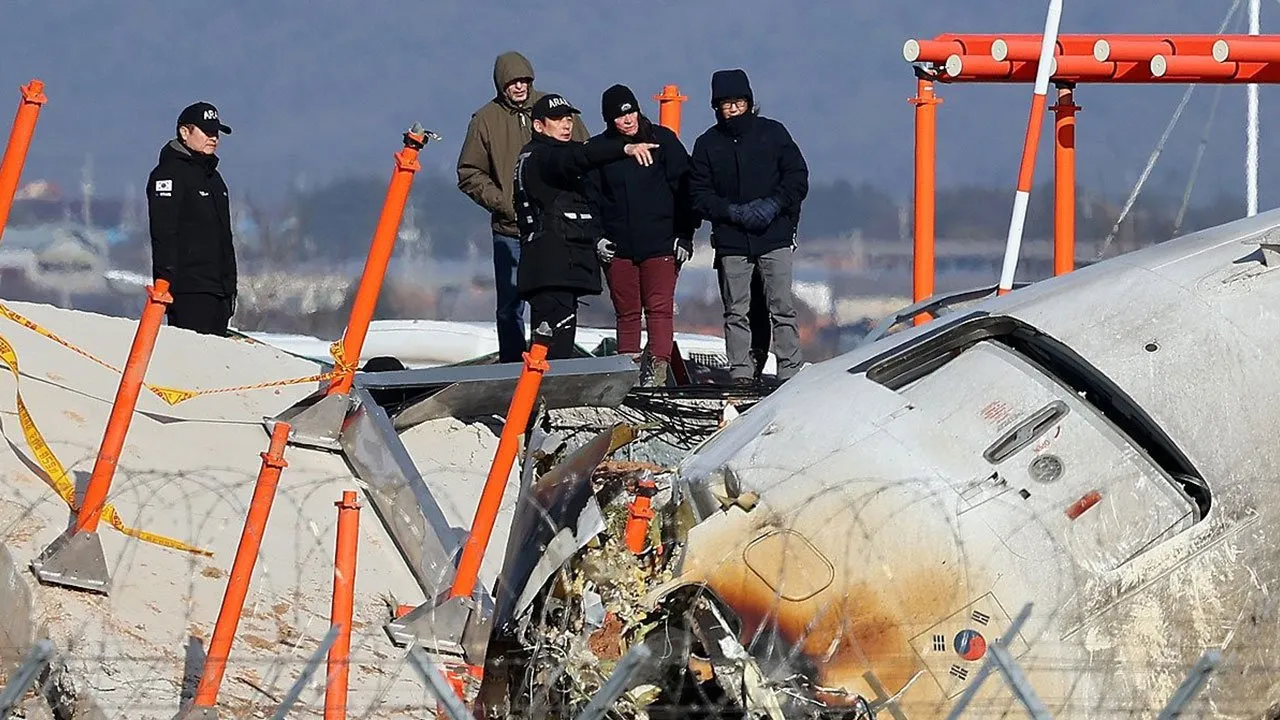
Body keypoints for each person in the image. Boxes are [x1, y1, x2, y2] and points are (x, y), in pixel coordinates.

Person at [457, 51, 589, 363]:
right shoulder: (484, 121)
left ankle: (554, 362)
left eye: (524, 80)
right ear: (501, 85)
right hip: (511, 229)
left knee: (557, 298)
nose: (519, 87)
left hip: (557, 228)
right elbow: (469, 173)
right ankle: (512, 366)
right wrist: (506, 205)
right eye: (512, 82)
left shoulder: (554, 108)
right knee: (511, 303)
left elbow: (584, 154)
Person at [513, 94, 659, 359]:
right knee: (552, 351)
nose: (566, 125)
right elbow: (577, 157)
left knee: (555, 346)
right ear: (539, 126)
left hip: (554, 268)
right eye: (557, 120)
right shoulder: (545, 157)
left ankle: (544, 393)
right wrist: (623, 149)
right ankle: (544, 397)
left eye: (569, 119)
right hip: (551, 269)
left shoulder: (534, 156)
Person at [688, 69, 809, 384]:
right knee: (736, 310)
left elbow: (796, 177)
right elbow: (698, 194)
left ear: (749, 101)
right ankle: (741, 371)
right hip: (731, 239)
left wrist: (774, 205)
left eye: (737, 101)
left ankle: (789, 370)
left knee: (781, 306)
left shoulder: (774, 134)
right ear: (716, 106)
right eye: (725, 103)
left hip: (775, 235)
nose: (732, 108)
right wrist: (730, 211)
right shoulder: (707, 144)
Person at [587, 84, 698, 386]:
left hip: (661, 243)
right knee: (627, 312)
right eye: (620, 116)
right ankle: (628, 374)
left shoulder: (664, 142)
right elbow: (590, 199)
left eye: (631, 112)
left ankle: (657, 373)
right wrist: (596, 237)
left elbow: (687, 190)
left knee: (659, 310)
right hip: (618, 247)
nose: (628, 120)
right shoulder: (601, 150)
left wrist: (685, 234)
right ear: (610, 120)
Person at [147, 101, 237, 336]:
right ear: (184, 132)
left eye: (216, 133)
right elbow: (164, 232)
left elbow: (224, 238)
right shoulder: (168, 175)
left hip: (220, 291)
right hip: (188, 290)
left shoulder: (215, 179)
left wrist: (230, 287)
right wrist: (165, 283)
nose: (213, 138)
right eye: (206, 132)